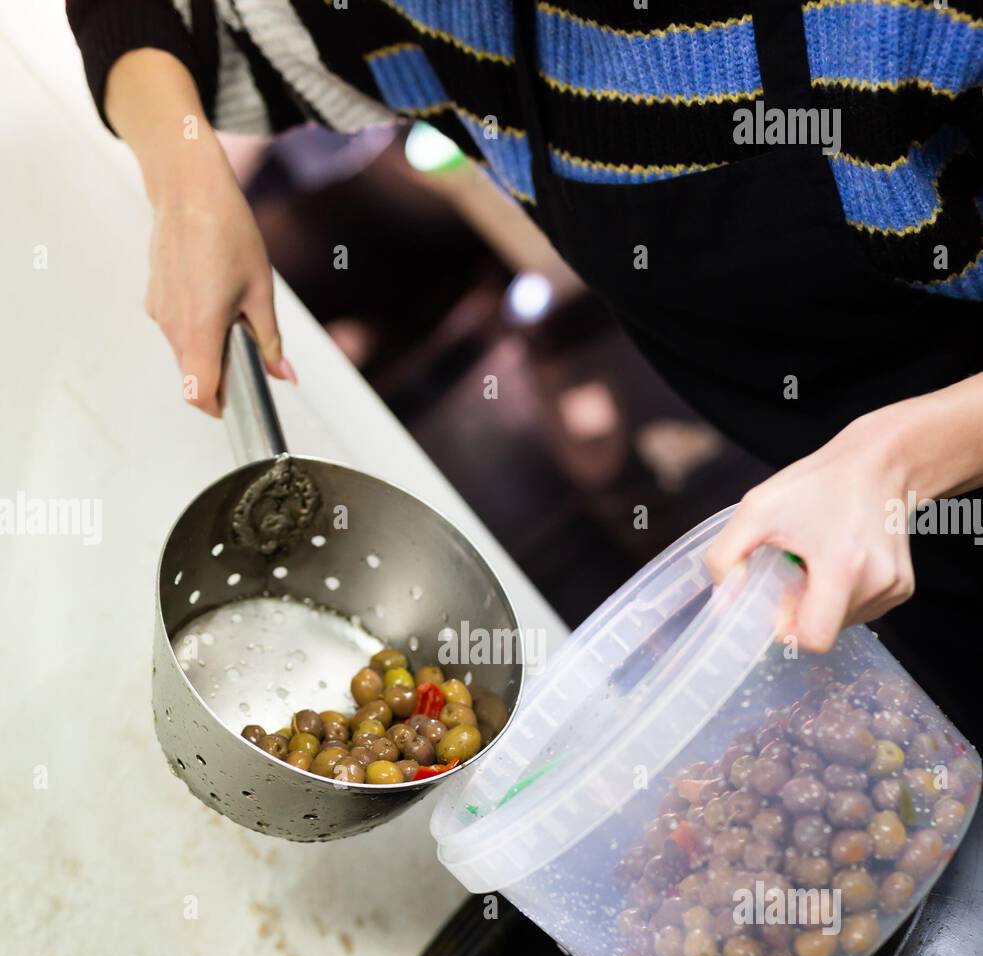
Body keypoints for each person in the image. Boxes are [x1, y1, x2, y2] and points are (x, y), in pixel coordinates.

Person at [68, 0, 983, 742]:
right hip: (895, 566)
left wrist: (898, 461)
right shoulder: (443, 17)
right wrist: (186, 180)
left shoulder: (899, 18)